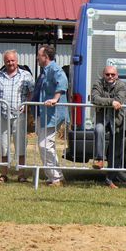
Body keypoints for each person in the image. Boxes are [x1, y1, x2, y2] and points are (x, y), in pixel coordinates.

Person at [0, 50, 34, 183]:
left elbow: (32, 92)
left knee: (20, 145)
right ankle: (3, 174)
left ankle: (21, 174)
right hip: (3, 115)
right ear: (4, 62)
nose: (10, 63)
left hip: (19, 116)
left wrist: (27, 106)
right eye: (7, 61)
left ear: (17, 61)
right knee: (4, 145)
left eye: (12, 60)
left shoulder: (26, 75)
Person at [33, 44, 69, 187]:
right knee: (46, 145)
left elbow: (63, 82)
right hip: (44, 113)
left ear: (45, 57)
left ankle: (57, 177)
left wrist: (55, 99)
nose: (37, 58)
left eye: (39, 55)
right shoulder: (45, 71)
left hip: (53, 113)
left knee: (45, 145)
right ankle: (53, 177)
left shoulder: (55, 69)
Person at [92, 65, 126, 188]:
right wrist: (111, 102)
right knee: (98, 129)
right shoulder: (98, 83)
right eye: (107, 74)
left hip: (117, 120)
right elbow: (95, 98)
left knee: (115, 152)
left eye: (113, 74)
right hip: (102, 118)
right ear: (103, 75)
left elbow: (120, 99)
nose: (110, 77)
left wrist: (106, 101)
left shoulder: (121, 85)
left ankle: (110, 179)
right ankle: (99, 159)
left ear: (117, 75)